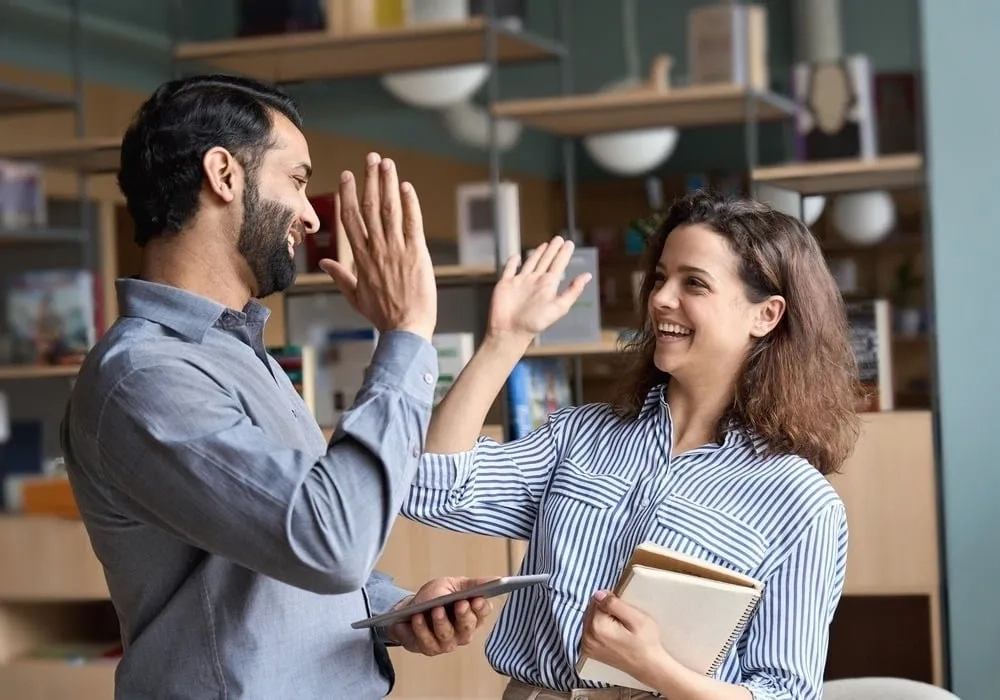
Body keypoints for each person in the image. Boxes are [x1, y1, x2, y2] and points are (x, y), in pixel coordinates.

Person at [60, 74, 495, 700]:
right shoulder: (145, 378)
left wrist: (395, 608)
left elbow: (278, 540)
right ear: (224, 175)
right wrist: (407, 332)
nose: (311, 213)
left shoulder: (239, 351)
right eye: (296, 179)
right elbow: (331, 541)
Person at [401, 191, 862, 700]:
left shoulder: (801, 503)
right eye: (661, 277)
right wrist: (506, 339)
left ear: (766, 315)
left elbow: (786, 693)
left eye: (695, 283)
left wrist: (653, 667)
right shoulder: (579, 435)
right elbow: (430, 487)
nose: (662, 298)